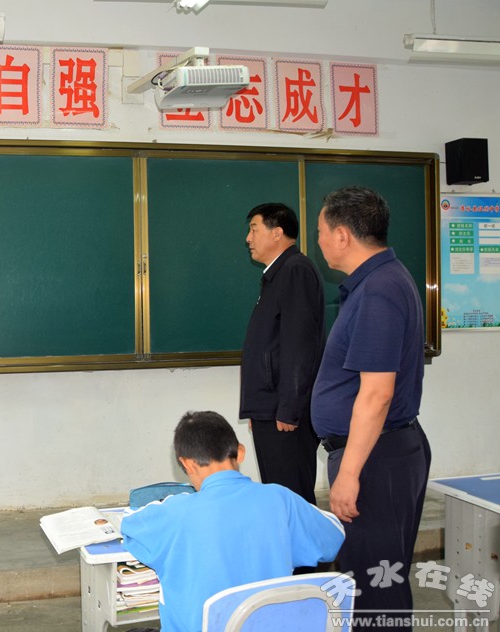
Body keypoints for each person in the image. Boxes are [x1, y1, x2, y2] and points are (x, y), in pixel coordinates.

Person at [312, 185, 430, 629]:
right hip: (381, 452)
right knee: (375, 580)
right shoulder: (380, 280)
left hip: (374, 458)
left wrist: (349, 473)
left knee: (376, 588)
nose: (319, 241)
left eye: (321, 231)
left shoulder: (379, 290)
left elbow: (377, 394)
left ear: (342, 235)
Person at [121, 411, 344, 632]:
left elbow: (128, 524)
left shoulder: (173, 511)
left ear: (186, 464)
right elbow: (333, 537)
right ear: (240, 452)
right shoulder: (281, 498)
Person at [239, 202, 324, 506]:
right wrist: (259, 407)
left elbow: (299, 346)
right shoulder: (277, 274)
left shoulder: (295, 270)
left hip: (285, 414)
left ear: (277, 233)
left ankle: (305, 542)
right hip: (271, 408)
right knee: (278, 496)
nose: (248, 238)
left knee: (293, 499)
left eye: (254, 229)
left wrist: (288, 408)